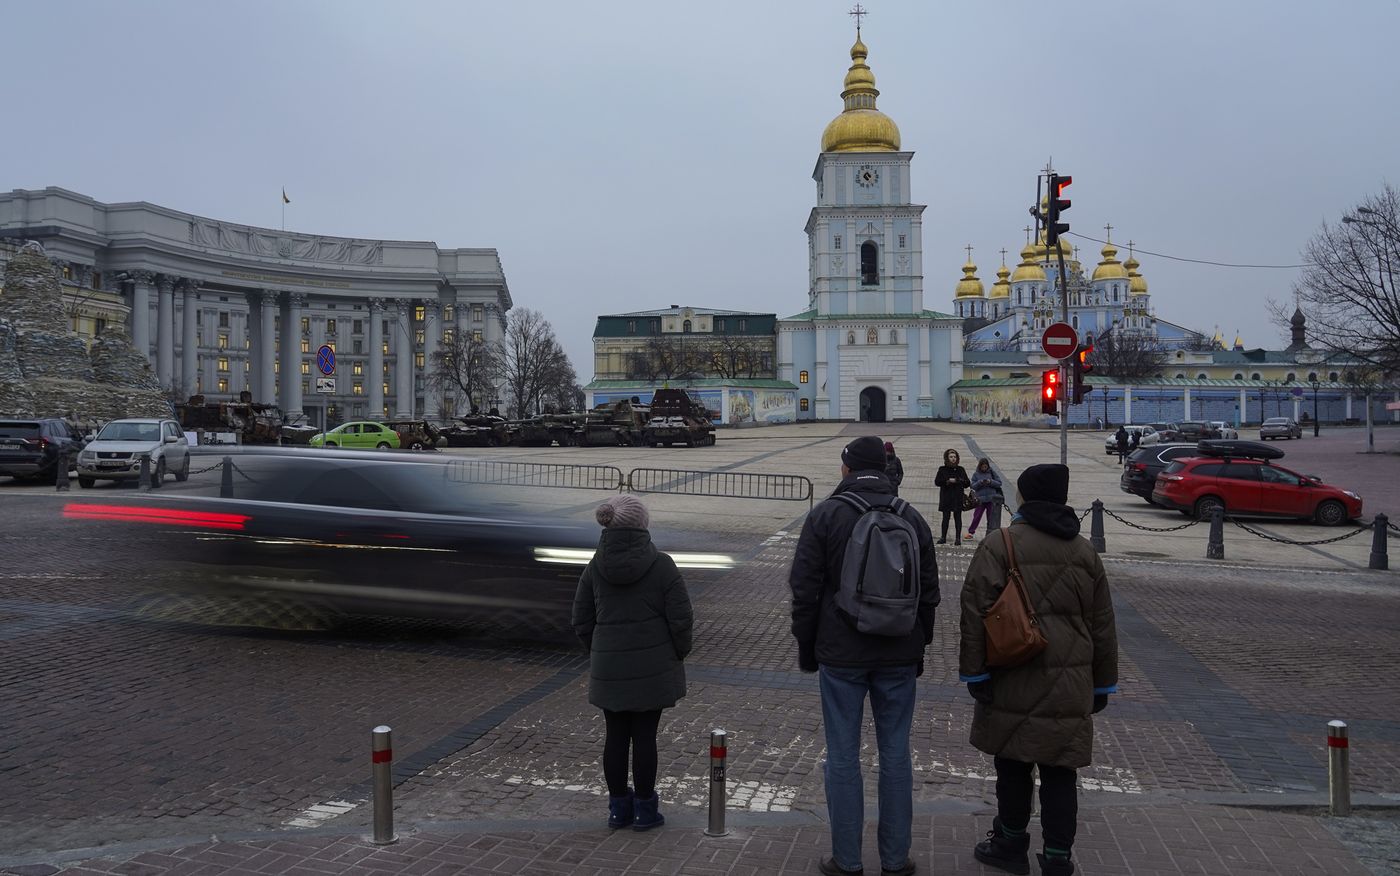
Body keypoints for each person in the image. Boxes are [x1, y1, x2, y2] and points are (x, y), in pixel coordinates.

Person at [958, 464, 1119, 876]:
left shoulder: (1000, 544)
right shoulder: (1084, 552)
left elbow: (975, 613)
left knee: (1012, 764)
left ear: (1026, 498)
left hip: (1013, 672)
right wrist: (1103, 684)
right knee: (1060, 772)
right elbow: (1102, 624)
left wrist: (975, 674)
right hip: (1071, 681)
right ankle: (1058, 859)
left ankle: (1010, 843)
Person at [790, 436, 939, 876]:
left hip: (841, 655)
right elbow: (929, 593)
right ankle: (895, 860)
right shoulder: (911, 517)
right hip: (898, 653)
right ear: (887, 468)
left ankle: (847, 860)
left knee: (842, 757)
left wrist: (807, 646)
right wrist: (919, 644)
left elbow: (804, 590)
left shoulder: (825, 516)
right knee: (895, 756)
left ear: (846, 469)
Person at [572, 494, 694, 832]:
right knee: (645, 737)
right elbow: (681, 619)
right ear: (643, 524)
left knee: (614, 736)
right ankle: (644, 810)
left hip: (609, 667)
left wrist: (598, 652)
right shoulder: (662, 564)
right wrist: (678, 653)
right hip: (652, 668)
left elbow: (581, 618)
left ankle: (617, 810)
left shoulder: (595, 565)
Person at [934, 448, 970, 545]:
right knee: (945, 517)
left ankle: (958, 538)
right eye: (951, 457)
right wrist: (947, 482)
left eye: (954, 457)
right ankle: (943, 537)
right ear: (947, 458)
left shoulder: (960, 469)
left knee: (958, 517)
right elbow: (937, 482)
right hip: (946, 497)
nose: (953, 459)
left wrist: (958, 480)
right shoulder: (942, 469)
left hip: (957, 497)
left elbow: (967, 483)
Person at [966, 458, 1003, 541]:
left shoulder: (992, 472)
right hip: (980, 500)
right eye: (983, 467)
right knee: (977, 516)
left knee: (990, 517)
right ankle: (971, 532)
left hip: (991, 499)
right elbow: (973, 486)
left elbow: (999, 483)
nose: (984, 468)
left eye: (985, 466)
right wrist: (980, 482)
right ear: (980, 466)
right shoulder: (976, 474)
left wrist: (990, 482)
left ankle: (990, 533)